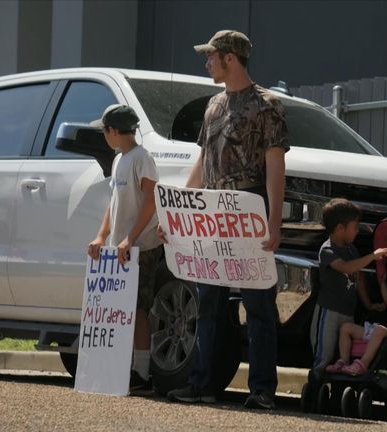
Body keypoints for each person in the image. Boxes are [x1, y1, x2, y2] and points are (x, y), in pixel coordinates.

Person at [164, 30, 288, 410]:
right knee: (209, 303)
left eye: (211, 57)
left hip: (249, 205)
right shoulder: (214, 105)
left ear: (230, 58)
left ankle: (263, 389)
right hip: (213, 211)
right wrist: (179, 211)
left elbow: (275, 164)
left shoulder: (267, 105)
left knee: (258, 304)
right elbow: (203, 161)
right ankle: (201, 384)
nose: (207, 63)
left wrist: (273, 220)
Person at [86, 104, 162, 392]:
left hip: (141, 247)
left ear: (114, 131)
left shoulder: (142, 158)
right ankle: (119, 366)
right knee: (119, 309)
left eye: (104, 131)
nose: (104, 137)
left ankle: (141, 372)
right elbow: (113, 203)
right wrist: (101, 236)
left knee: (140, 309)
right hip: (121, 249)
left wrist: (130, 238)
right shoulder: (120, 160)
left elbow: (151, 198)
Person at [310, 198, 387, 378]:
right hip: (329, 311)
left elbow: (359, 278)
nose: (357, 231)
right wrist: (372, 256)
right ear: (340, 228)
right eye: (354, 227)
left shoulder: (352, 250)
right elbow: (346, 267)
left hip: (347, 311)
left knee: (343, 354)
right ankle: (315, 383)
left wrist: (368, 304)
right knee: (325, 353)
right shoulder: (328, 251)